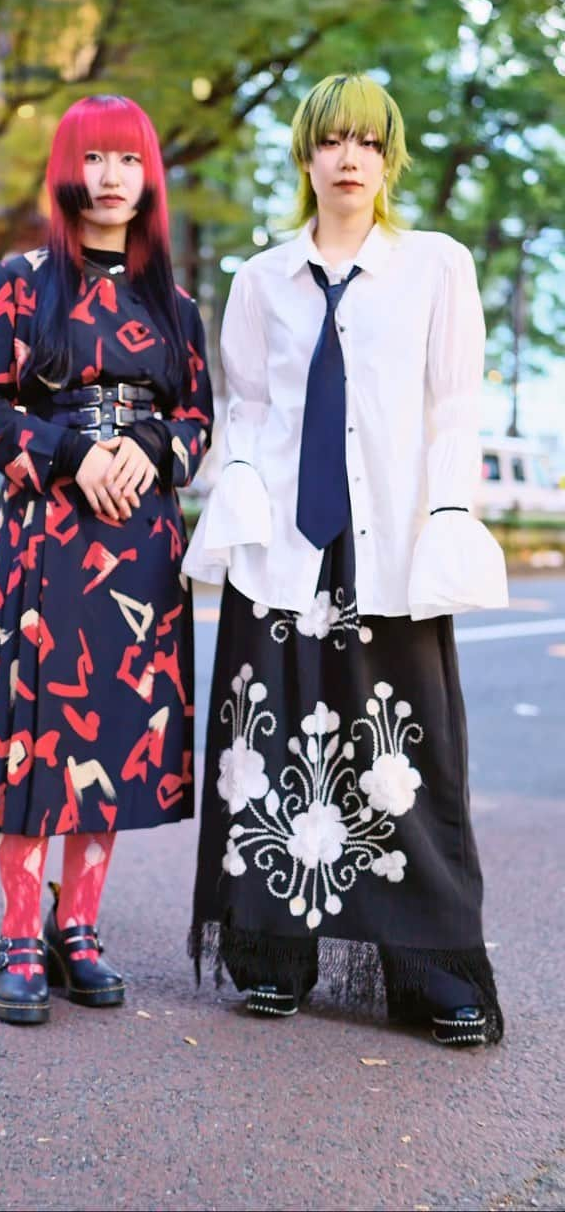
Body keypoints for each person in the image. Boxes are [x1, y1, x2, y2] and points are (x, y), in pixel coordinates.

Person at [184, 73, 508, 1046]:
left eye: (368, 141)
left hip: (394, 552)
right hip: (285, 550)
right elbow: (245, 407)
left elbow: (452, 406)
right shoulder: (260, 279)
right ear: (307, 155)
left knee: (405, 757)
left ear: (389, 155)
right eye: (332, 141)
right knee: (268, 743)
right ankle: (271, 953)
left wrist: (447, 518)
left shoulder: (437, 266)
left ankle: (433, 970)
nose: (350, 159)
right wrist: (237, 501)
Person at [0, 94, 213, 1024]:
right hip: (45, 535)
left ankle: (81, 929)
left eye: (129, 162)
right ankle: (21, 930)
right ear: (69, 170)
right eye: (95, 160)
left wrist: (147, 454)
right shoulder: (21, 280)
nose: (111, 179)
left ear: (150, 180)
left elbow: (197, 418)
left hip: (139, 540)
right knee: (34, 731)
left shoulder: (173, 304)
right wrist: (73, 456)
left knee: (107, 732)